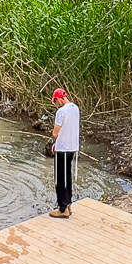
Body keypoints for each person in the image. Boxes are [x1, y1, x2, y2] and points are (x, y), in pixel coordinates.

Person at [49, 87, 80, 219]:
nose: (56, 104)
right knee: (67, 176)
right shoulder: (75, 108)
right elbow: (68, 129)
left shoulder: (61, 112)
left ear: (59, 99)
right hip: (72, 147)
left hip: (62, 149)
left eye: (56, 101)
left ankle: (62, 208)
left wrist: (55, 140)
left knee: (59, 179)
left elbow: (56, 133)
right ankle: (68, 204)